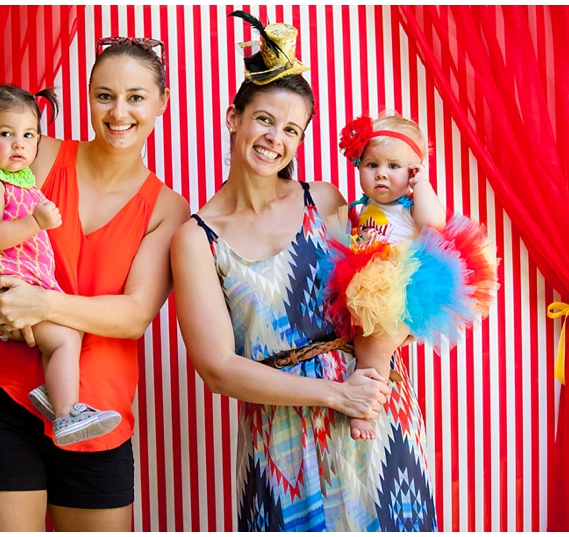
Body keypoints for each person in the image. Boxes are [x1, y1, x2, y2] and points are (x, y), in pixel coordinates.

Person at [171, 12, 437, 531]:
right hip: (282, 448)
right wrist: (336, 394)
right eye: (265, 119)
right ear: (234, 118)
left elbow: (386, 285)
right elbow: (217, 369)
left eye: (292, 129)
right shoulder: (196, 238)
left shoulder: (328, 202)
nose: (275, 138)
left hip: (378, 426)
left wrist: (379, 360)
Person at [0, 38, 190, 532]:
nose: (118, 112)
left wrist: (41, 303)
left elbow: (134, 315)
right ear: (88, 98)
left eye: (136, 97)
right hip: (0, 397)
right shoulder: (37, 155)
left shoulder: (168, 209)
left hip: (98, 417)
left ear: (162, 103)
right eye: (104, 95)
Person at [0, 82, 121, 447]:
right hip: (7, 294)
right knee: (62, 340)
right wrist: (35, 223)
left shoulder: (18, 182)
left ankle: (51, 395)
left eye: (29, 135)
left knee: (67, 336)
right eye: (6, 133)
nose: (19, 144)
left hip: (26, 291)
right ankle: (66, 414)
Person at [325, 113, 499, 440]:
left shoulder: (409, 206)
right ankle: (372, 381)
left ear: (413, 171)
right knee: (362, 342)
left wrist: (422, 186)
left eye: (394, 167)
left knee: (372, 348)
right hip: (365, 287)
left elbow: (434, 224)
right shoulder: (359, 210)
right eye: (371, 165)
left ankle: (365, 405)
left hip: (401, 285)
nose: (381, 174)